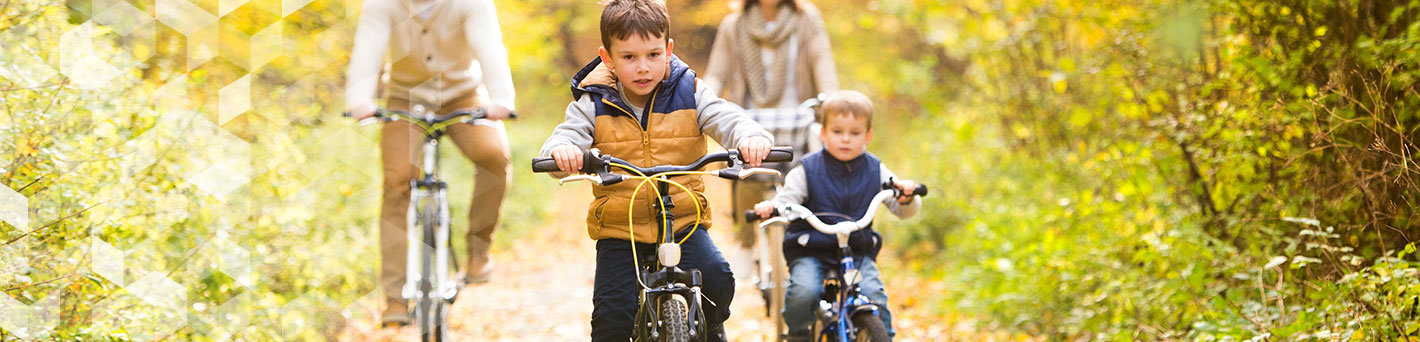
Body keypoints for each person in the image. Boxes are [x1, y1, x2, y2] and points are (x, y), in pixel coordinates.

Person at [537, 1, 775, 340]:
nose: (643, 67)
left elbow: (728, 118)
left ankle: (711, 327)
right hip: (622, 228)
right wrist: (563, 152)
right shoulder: (593, 102)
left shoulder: (690, 91)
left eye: (652, 54)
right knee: (611, 317)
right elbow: (566, 137)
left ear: (668, 50)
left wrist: (750, 137)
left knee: (717, 279)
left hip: (682, 220)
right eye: (629, 57)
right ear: (608, 58)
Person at [343, 0, 516, 327]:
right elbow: (367, 50)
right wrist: (360, 99)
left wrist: (501, 99)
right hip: (405, 99)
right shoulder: (382, 5)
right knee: (397, 179)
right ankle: (395, 297)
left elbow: (491, 47)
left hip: (465, 97)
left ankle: (478, 253)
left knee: (494, 155)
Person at [752, 90, 920, 341]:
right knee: (803, 291)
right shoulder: (807, 168)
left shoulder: (875, 169)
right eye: (837, 132)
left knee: (875, 295)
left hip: (856, 251)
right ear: (823, 133)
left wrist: (906, 195)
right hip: (811, 248)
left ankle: (883, 336)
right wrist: (773, 207)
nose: (845, 140)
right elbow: (787, 199)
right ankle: (798, 334)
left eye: (855, 133)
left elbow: (899, 202)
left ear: (868, 136)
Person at [705, 0, 839, 248]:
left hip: (797, 117)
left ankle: (809, 242)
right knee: (746, 171)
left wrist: (831, 99)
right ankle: (745, 240)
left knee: (807, 176)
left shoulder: (806, 19)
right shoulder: (734, 24)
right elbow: (716, 73)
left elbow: (823, 61)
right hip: (750, 118)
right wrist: (703, 100)